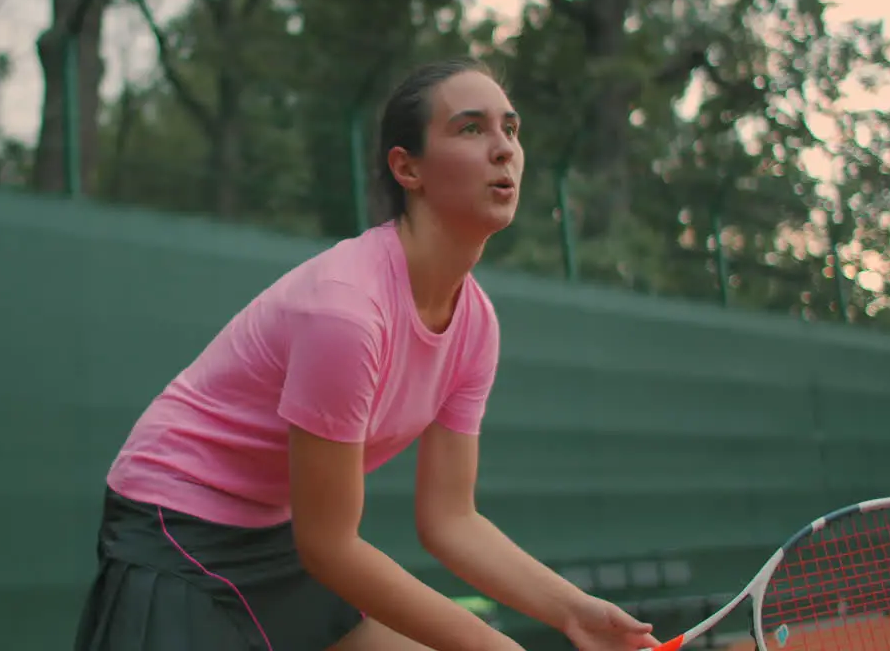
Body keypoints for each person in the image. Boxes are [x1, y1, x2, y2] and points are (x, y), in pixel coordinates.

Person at [74, 57, 661, 651]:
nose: (504, 148)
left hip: (274, 531)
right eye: (470, 128)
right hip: (177, 523)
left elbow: (450, 520)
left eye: (510, 128)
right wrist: (493, 646)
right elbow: (330, 545)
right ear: (407, 168)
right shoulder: (347, 311)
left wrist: (572, 612)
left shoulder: (476, 325)